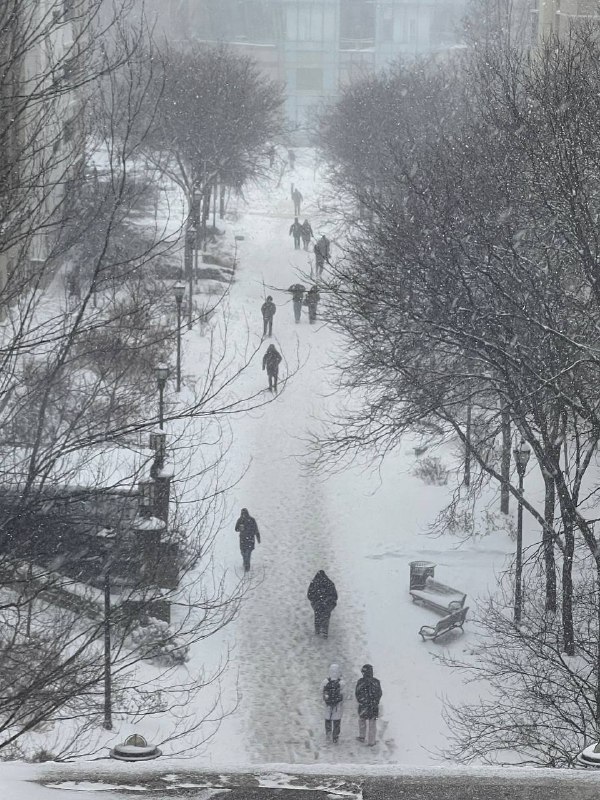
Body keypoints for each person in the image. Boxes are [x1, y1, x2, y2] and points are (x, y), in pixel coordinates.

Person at [355, 664, 382, 747]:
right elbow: (380, 693)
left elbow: (357, 693)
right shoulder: (376, 682)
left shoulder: (360, 681)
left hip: (363, 706)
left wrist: (362, 701)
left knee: (362, 720)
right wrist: (375, 701)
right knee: (372, 724)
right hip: (373, 707)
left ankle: (362, 737)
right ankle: (371, 741)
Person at [307, 570, 338, 638]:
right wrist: (329, 601)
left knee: (317, 615)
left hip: (317, 604)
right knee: (326, 616)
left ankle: (317, 631)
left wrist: (315, 600)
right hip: (327, 604)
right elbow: (335, 596)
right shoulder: (330, 583)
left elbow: (309, 595)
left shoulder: (313, 583)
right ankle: (325, 631)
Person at [322, 663, 345, 744]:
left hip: (328, 705)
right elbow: (343, 694)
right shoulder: (341, 682)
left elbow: (321, 691)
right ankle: (335, 737)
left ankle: (328, 734)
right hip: (337, 706)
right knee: (336, 721)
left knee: (328, 720)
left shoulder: (325, 681)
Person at [235, 508, 260, 572]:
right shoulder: (241, 520)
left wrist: (258, 537)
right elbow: (236, 529)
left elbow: (256, 529)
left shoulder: (250, 520)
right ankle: (246, 563)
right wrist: (240, 528)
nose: (243, 515)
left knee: (247, 553)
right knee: (244, 553)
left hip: (247, 540)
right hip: (246, 540)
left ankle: (247, 566)